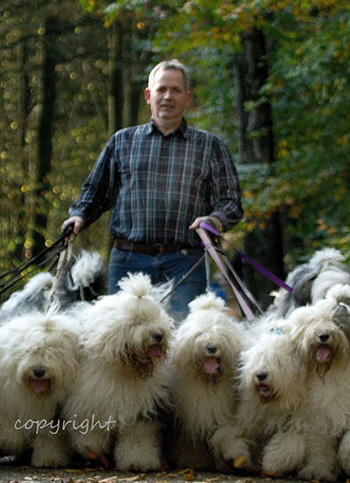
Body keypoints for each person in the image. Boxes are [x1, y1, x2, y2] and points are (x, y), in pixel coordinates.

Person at [61, 59, 243, 320]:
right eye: (161, 89)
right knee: (123, 342)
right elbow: (95, 191)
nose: (168, 96)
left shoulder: (210, 146)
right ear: (149, 95)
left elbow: (231, 202)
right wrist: (78, 216)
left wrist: (214, 220)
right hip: (128, 261)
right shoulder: (122, 141)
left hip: (185, 262)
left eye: (176, 90)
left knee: (183, 343)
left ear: (187, 98)